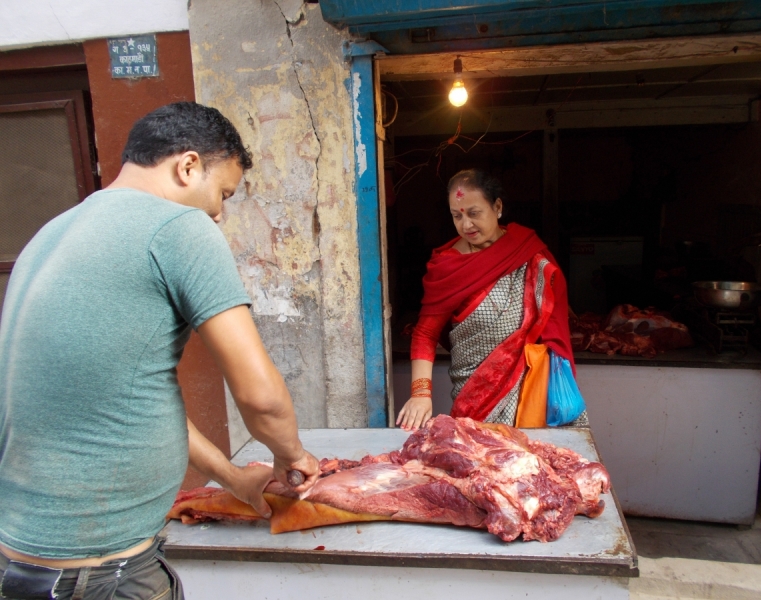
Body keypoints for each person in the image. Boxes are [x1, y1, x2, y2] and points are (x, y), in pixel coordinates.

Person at [0, 102, 319, 600]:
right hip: (102, 574)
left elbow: (126, 401)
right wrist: (292, 456)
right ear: (187, 166)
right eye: (223, 194)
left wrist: (234, 478)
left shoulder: (50, 234)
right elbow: (261, 397)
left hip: (19, 563)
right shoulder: (178, 228)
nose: (218, 213)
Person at [396, 169, 585, 431]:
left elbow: (551, 310)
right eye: (456, 216)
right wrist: (420, 393)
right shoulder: (447, 267)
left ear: (497, 207)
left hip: (532, 390)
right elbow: (425, 333)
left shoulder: (527, 252)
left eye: (474, 213)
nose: (466, 225)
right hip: (474, 398)